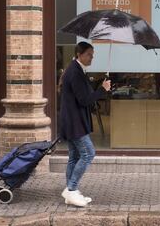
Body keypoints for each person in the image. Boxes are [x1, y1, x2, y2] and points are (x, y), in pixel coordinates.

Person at [59, 42, 111, 206]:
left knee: (74, 157)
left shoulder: (76, 70)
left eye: (92, 54)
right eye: (89, 54)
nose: (92, 57)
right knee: (88, 153)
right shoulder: (75, 72)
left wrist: (99, 87)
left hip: (72, 120)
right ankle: (71, 189)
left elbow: (82, 95)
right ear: (79, 54)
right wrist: (102, 90)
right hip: (75, 122)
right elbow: (84, 100)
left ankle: (70, 192)